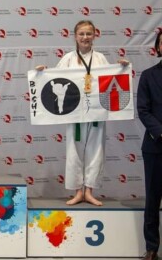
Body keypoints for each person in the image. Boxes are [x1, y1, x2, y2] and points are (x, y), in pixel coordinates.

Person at [36, 20, 129, 206]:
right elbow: (55, 77)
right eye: (82, 34)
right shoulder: (68, 58)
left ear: (94, 36)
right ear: (75, 36)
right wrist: (44, 73)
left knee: (96, 150)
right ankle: (78, 192)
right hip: (74, 112)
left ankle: (90, 191)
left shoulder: (100, 58)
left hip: (96, 112)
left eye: (88, 34)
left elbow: (109, 80)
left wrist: (121, 68)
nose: (85, 37)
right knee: (74, 151)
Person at [137, 29, 162, 260]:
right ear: (158, 47)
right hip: (155, 147)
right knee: (153, 200)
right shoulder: (148, 76)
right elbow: (143, 110)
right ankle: (151, 249)